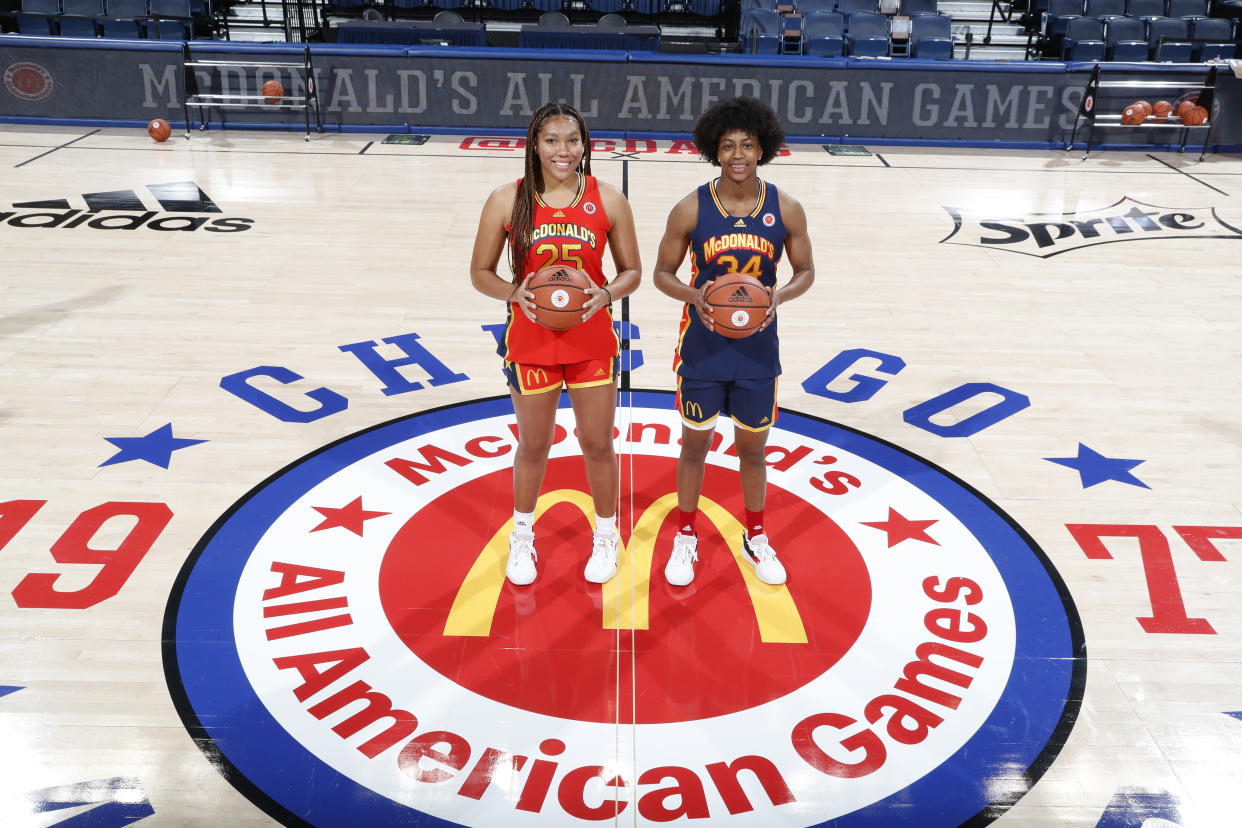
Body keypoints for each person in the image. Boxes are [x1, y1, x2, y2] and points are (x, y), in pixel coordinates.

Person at [470, 103, 641, 587]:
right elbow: (480, 272)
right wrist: (514, 293)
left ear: (585, 144)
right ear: (535, 144)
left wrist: (607, 293)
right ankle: (522, 535)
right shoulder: (507, 199)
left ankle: (606, 533)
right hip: (530, 338)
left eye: (572, 140)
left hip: (591, 337)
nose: (563, 150)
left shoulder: (608, 199)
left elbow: (633, 271)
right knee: (534, 446)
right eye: (552, 140)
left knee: (597, 442)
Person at [652, 97, 815, 587]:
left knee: (752, 450)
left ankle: (756, 535)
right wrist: (693, 294)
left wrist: (778, 297)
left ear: (763, 147)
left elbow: (806, 271)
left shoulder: (785, 207)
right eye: (728, 146)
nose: (738, 154)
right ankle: (686, 535)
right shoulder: (690, 207)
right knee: (693, 447)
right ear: (714, 151)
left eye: (747, 144)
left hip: (758, 352)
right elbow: (661, 273)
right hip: (702, 348)